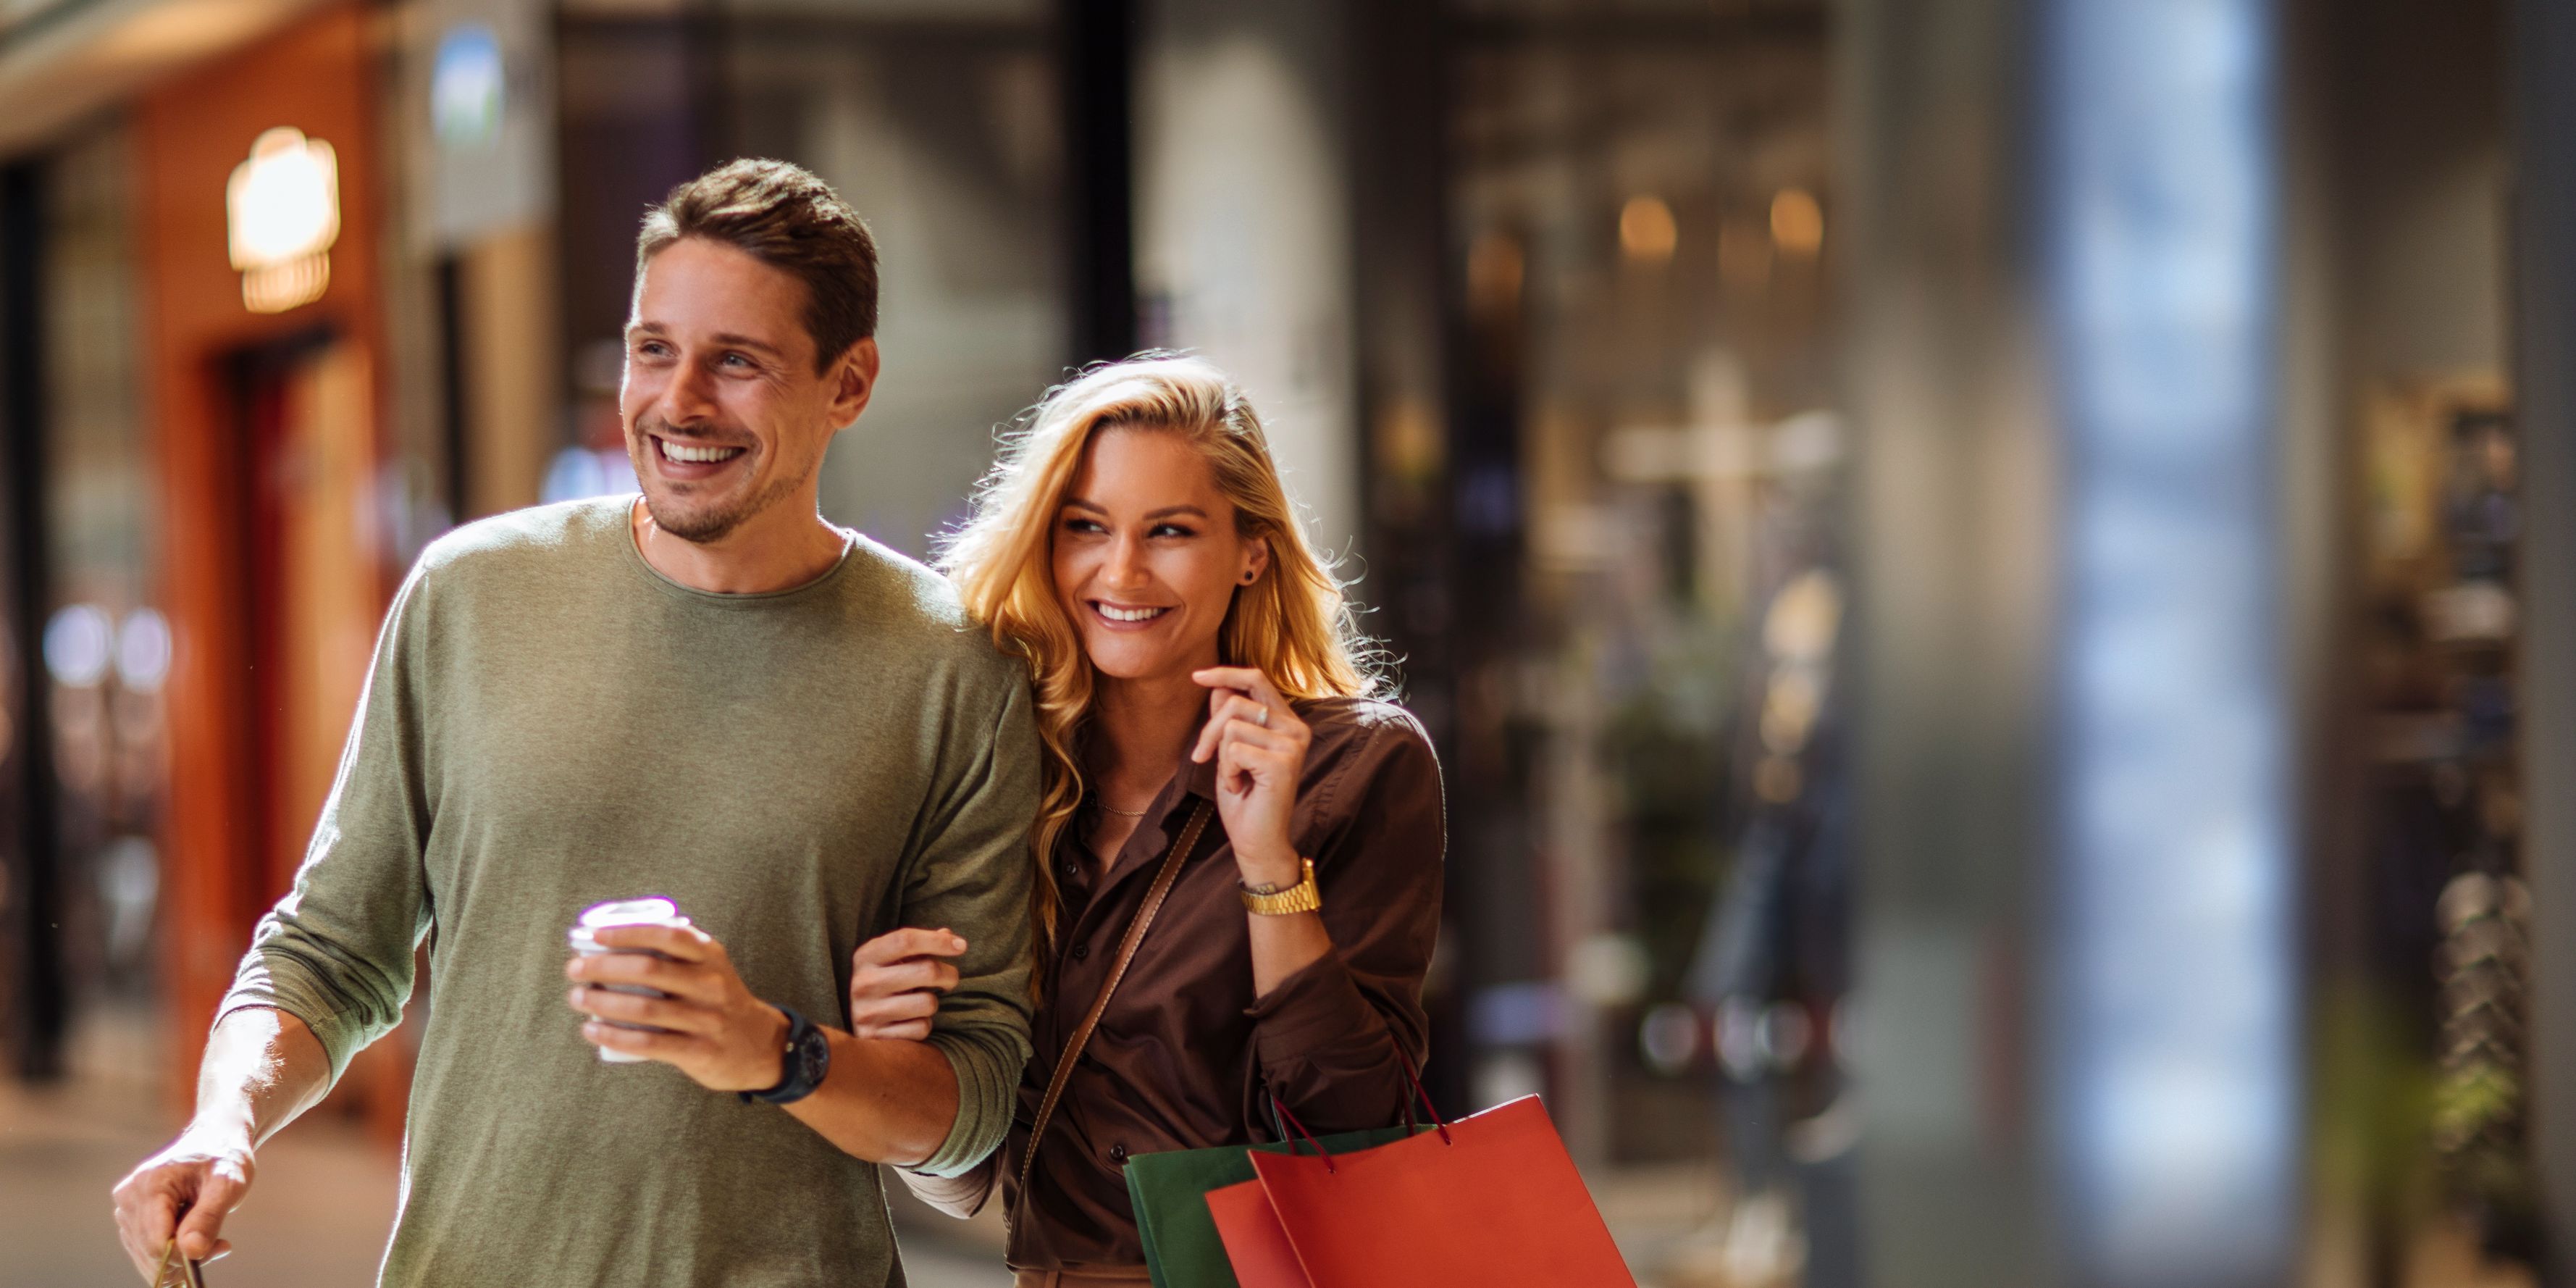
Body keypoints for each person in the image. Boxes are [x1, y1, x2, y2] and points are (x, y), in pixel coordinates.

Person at [109, 159, 1040, 1287]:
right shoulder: (471, 593)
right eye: (654, 349)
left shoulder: (952, 666)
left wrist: (776, 1049)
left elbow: (972, 1108)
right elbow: (330, 950)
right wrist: (226, 1120)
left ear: (849, 383)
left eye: (736, 361)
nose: (679, 400)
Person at [846, 356, 1447, 1286]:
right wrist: (902, 1050)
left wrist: (1268, 870)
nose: (1120, 569)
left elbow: (1356, 1120)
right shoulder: (1002, 773)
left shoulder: (1355, 766)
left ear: (1251, 548)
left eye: (1168, 530)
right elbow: (960, 1179)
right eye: (1085, 527)